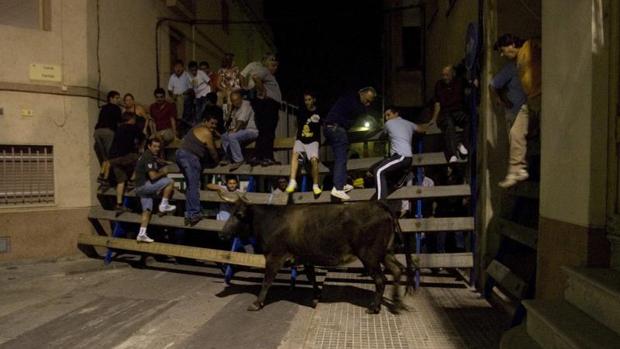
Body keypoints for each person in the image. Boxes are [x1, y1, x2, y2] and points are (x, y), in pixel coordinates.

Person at [493, 33, 541, 188]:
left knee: (517, 134)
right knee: (516, 135)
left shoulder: (528, 49)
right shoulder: (515, 62)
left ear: (512, 45)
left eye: (503, 50)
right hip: (529, 99)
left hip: (536, 96)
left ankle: (518, 168)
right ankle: (517, 168)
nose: (502, 54)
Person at [323, 86, 377, 200]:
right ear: (362, 94)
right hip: (336, 128)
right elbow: (358, 117)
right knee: (341, 158)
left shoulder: (349, 99)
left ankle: (341, 183)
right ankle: (338, 188)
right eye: (367, 100)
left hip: (332, 128)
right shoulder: (353, 101)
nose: (367, 104)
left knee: (343, 154)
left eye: (370, 102)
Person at [176, 115, 220, 226]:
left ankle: (189, 214)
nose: (213, 126)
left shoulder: (196, 128)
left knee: (190, 186)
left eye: (215, 124)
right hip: (190, 157)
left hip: (180, 154)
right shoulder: (206, 132)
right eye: (212, 123)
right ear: (205, 121)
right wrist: (217, 162)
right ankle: (194, 213)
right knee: (194, 186)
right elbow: (212, 151)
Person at [373, 106, 426, 199]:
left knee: (378, 171)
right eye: (385, 116)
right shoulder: (409, 124)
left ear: (396, 114)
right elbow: (421, 129)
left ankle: (380, 201)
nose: (386, 118)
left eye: (388, 115)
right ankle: (400, 178)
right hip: (406, 158)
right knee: (375, 169)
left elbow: (381, 136)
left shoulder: (388, 123)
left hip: (400, 156)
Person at [241, 53, 282, 167]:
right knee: (268, 133)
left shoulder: (269, 75)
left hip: (270, 106)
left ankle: (258, 156)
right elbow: (255, 77)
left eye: (276, 65)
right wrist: (262, 91)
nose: (275, 67)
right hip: (268, 105)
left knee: (265, 132)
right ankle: (266, 157)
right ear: (266, 63)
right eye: (272, 64)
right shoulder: (264, 71)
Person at [134, 137, 177, 242]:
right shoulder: (148, 157)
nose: (157, 149)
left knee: (147, 210)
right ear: (149, 146)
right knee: (169, 181)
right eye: (154, 146)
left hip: (140, 188)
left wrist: (167, 162)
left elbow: (158, 161)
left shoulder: (147, 155)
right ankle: (164, 205)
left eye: (158, 147)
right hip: (144, 186)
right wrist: (164, 171)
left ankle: (142, 233)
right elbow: (153, 176)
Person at [104, 112, 146, 215]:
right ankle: (132, 180)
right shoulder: (132, 127)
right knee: (141, 158)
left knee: (121, 181)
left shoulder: (119, 128)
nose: (135, 121)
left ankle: (119, 205)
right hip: (123, 156)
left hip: (113, 159)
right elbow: (143, 136)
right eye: (134, 119)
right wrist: (141, 147)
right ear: (131, 119)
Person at [429, 65, 470, 163]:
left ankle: (463, 145)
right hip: (445, 112)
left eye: (447, 75)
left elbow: (469, 86)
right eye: (443, 75)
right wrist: (434, 119)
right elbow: (437, 103)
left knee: (470, 120)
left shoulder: (460, 82)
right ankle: (453, 153)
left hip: (458, 111)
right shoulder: (439, 85)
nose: (445, 77)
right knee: (448, 124)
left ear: (453, 74)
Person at [285, 91, 323, 195]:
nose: (307, 102)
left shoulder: (319, 112)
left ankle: (315, 185)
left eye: (309, 99)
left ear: (314, 100)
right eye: (305, 100)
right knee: (295, 154)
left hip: (313, 141)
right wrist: (295, 137)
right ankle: (292, 181)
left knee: (314, 160)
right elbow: (297, 126)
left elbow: (322, 127)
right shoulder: (301, 111)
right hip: (301, 139)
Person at [220, 89, 258, 171]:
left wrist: (234, 130)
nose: (235, 102)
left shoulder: (246, 105)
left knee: (232, 136)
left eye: (237, 100)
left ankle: (239, 160)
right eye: (233, 101)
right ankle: (230, 158)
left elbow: (241, 121)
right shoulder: (235, 109)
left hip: (251, 130)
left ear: (241, 98)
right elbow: (232, 124)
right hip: (241, 132)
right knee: (224, 136)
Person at [94, 90, 122, 165]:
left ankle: (104, 171)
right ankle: (110, 173)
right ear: (111, 98)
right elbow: (119, 122)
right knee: (110, 155)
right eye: (117, 98)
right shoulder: (116, 108)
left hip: (97, 132)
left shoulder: (103, 108)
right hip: (108, 132)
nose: (118, 100)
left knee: (103, 156)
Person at [167, 59, 193, 125]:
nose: (178, 69)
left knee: (181, 99)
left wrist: (184, 93)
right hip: (175, 96)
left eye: (179, 67)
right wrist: (172, 95)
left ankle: (180, 119)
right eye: (176, 67)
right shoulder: (172, 77)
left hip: (185, 95)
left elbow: (191, 88)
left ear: (183, 67)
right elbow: (169, 89)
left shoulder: (187, 75)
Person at [188, 60, 211, 126]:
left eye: (195, 70)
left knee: (203, 110)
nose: (194, 72)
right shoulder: (189, 77)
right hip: (198, 96)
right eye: (192, 70)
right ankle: (198, 126)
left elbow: (209, 82)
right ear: (189, 70)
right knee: (198, 112)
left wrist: (211, 94)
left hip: (205, 93)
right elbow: (194, 88)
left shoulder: (201, 73)